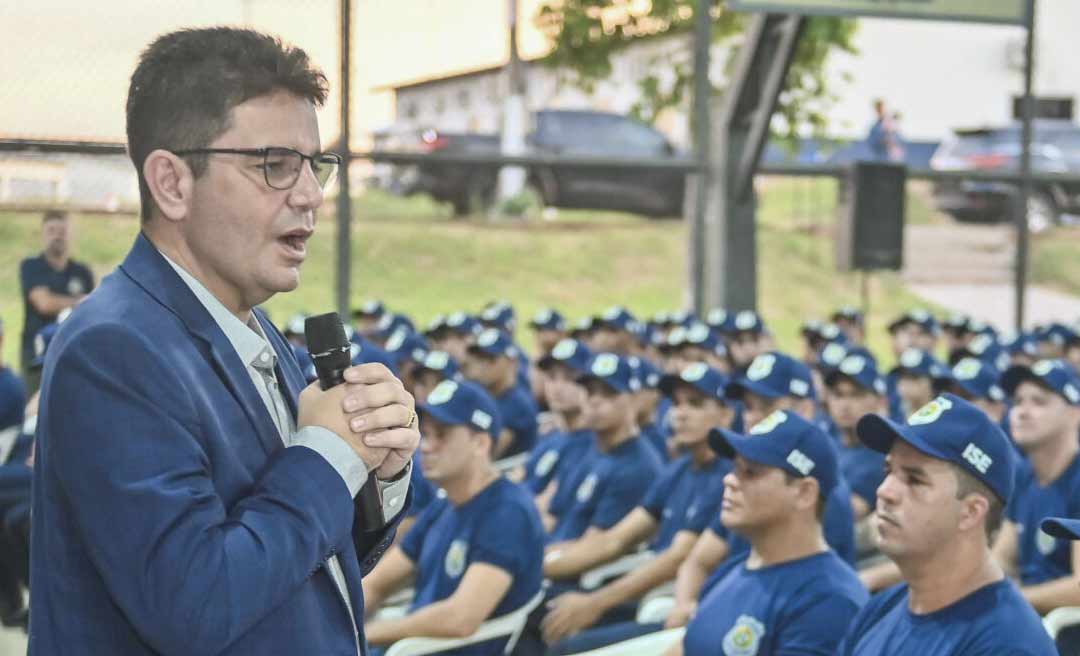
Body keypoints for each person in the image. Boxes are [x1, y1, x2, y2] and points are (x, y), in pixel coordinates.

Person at [30, 27, 419, 655]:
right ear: (173, 183)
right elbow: (197, 605)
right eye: (275, 165)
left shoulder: (247, 320)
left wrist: (376, 464)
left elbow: (295, 550)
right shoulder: (113, 351)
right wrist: (326, 453)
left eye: (315, 166)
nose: (312, 195)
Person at [839, 394, 1056, 655]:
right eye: (888, 472)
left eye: (914, 480)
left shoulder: (1009, 644)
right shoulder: (880, 609)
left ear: (971, 512)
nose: (885, 491)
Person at [539, 363, 733, 654]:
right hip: (646, 591)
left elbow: (677, 557)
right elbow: (617, 538)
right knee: (545, 609)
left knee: (563, 645)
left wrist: (595, 602)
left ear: (727, 413)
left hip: (680, 603)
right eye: (677, 403)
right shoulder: (679, 469)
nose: (680, 413)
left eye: (695, 404)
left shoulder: (728, 476)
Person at [362, 380, 545, 655]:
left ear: (480, 443)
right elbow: (377, 584)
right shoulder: (445, 504)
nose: (426, 446)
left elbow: (460, 618)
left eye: (443, 434)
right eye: (427, 433)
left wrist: (367, 634)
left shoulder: (507, 513)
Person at [665, 410, 869, 656]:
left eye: (750, 472)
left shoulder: (829, 601)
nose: (729, 480)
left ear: (804, 493)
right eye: (734, 468)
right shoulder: (735, 569)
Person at [992, 359, 1080, 614]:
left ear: (1075, 413)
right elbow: (1003, 558)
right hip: (1027, 613)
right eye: (1018, 401)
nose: (1021, 411)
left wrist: (1013, 598)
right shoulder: (1024, 473)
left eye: (1039, 401)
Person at [18, 210, 95, 392]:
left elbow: (93, 309)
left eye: (62, 232)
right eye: (51, 231)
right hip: (37, 355)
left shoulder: (82, 272)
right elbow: (43, 303)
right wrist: (78, 301)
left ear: (70, 235)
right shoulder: (32, 267)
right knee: (36, 414)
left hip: (74, 354)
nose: (57, 237)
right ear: (43, 235)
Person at [463, 329, 539, 458]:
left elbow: (484, 455)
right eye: (479, 358)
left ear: (511, 362)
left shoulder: (518, 405)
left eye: (491, 359)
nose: (483, 365)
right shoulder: (482, 394)